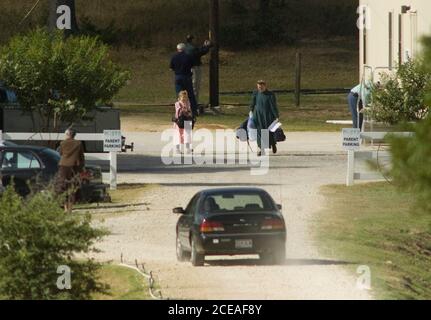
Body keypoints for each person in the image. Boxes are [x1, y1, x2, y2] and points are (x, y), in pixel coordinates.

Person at [55, 128, 85, 212]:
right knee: (72, 187)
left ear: (68, 134)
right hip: (74, 166)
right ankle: (70, 209)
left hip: (63, 166)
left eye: (65, 134)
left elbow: (60, 153)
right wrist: (82, 166)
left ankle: (65, 208)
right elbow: (81, 156)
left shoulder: (62, 143)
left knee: (63, 187)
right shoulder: (79, 143)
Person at [249, 80, 280, 157]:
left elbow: (273, 106)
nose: (260, 87)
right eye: (259, 86)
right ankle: (262, 149)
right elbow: (253, 103)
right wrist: (251, 111)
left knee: (267, 132)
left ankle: (272, 143)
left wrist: (276, 115)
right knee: (259, 132)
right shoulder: (256, 93)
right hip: (258, 116)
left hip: (268, 116)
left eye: (262, 85)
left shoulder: (270, 94)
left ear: (265, 86)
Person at [170, 43, 198, 117]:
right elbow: (193, 66)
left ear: (177, 49)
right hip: (187, 77)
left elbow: (171, 68)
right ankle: (193, 111)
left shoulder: (174, 57)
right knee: (190, 94)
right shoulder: (188, 56)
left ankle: (179, 112)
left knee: (180, 95)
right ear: (185, 49)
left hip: (178, 77)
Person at [184, 35, 212, 106]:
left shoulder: (186, 47)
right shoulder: (192, 49)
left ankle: (189, 103)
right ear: (192, 40)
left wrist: (204, 45)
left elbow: (198, 49)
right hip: (195, 68)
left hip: (187, 69)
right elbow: (201, 52)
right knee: (195, 86)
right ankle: (193, 103)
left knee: (191, 86)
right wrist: (207, 46)